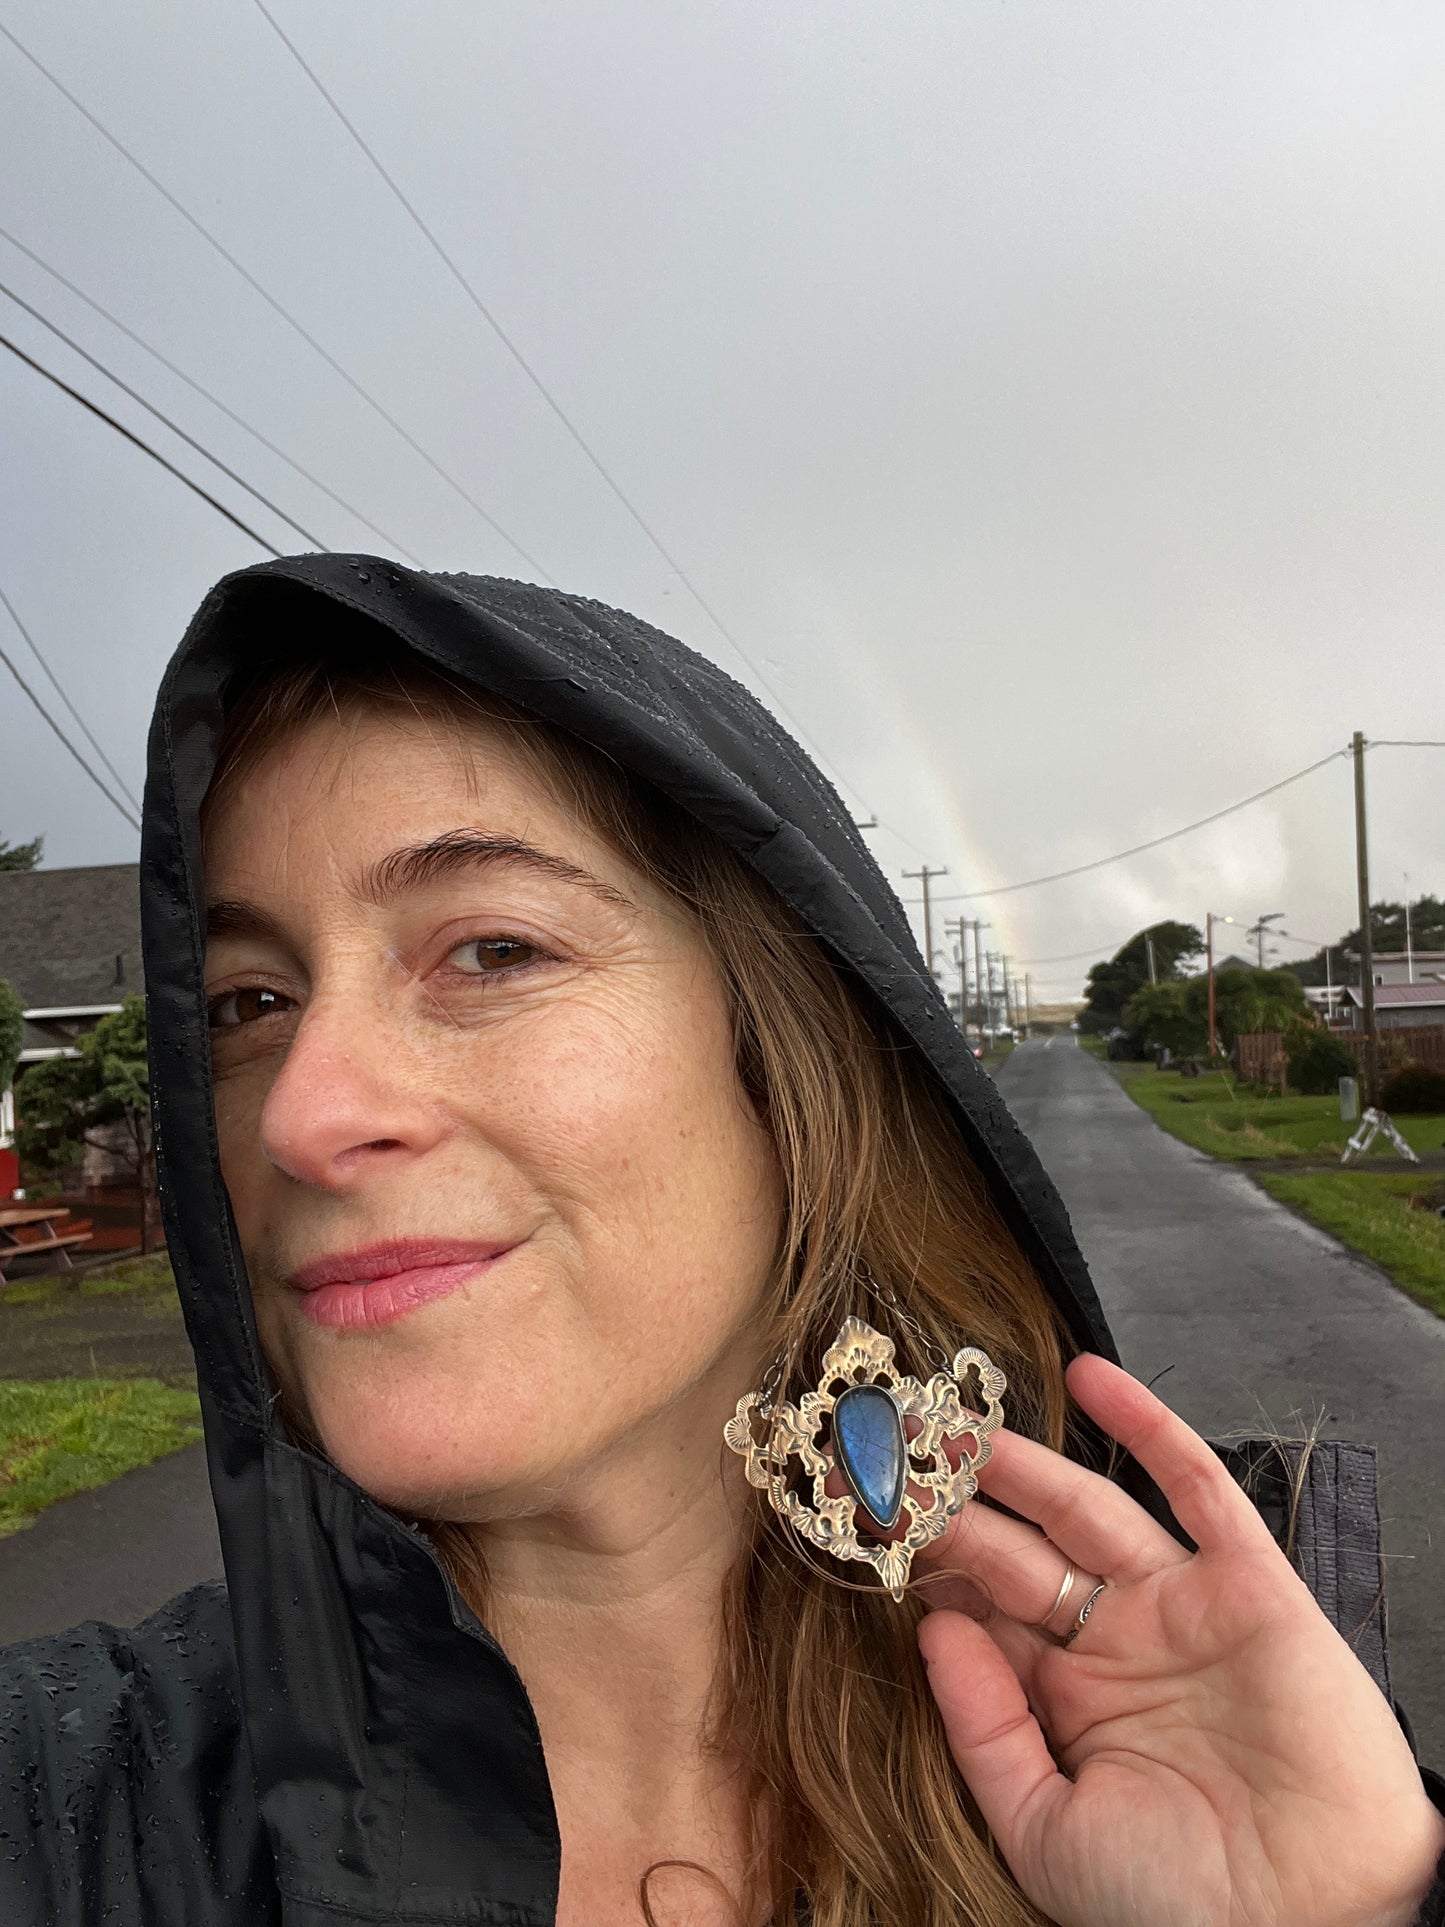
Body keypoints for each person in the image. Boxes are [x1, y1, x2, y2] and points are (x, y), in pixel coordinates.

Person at [1, 554, 1441, 1927]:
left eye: (491, 950)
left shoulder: (1165, 1745)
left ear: (783, 1063)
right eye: (249, 1004)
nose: (300, 1115)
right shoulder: (64, 1808)